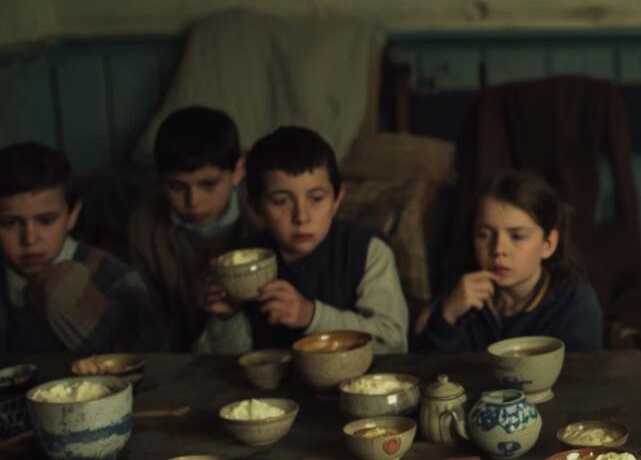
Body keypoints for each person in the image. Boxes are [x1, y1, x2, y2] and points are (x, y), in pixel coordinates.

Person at [193, 126, 407, 354]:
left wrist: (310, 316)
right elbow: (233, 359)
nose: (301, 217)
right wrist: (227, 318)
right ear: (256, 208)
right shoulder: (244, 263)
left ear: (337, 199)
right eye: (280, 201)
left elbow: (393, 343)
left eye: (316, 199)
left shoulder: (365, 250)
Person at [0, 142, 164, 353]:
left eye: (46, 220)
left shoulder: (114, 277)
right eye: (9, 223)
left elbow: (151, 354)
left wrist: (81, 309)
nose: (29, 239)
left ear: (72, 215)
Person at [418, 170, 602, 353]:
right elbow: (424, 368)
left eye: (517, 236)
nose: (498, 250)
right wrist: (447, 315)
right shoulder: (462, 289)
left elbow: (580, 377)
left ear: (548, 244)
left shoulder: (574, 305)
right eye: (484, 235)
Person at [127, 106, 255, 349]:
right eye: (177, 186)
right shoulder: (146, 224)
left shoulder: (259, 218)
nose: (193, 201)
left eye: (208, 184)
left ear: (238, 171)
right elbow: (150, 312)